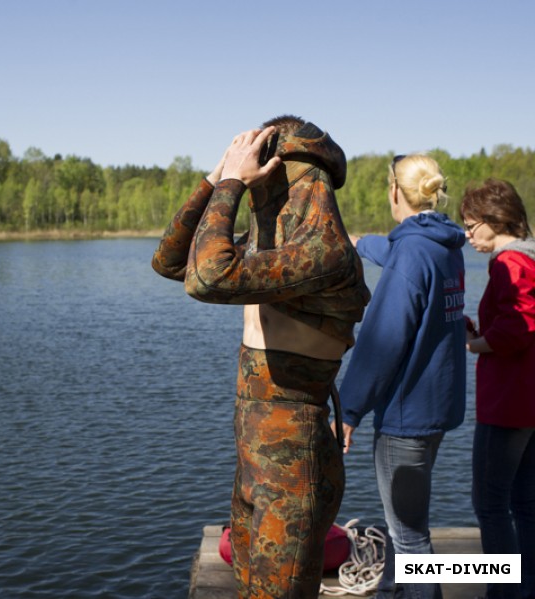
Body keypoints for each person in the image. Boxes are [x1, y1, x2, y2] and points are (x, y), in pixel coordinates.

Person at [152, 115, 370, 598]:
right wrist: (216, 178)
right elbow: (169, 260)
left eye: (265, 173)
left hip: (294, 463)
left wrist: (232, 182)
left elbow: (206, 278)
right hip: (254, 459)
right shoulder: (273, 251)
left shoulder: (323, 254)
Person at [335, 154, 467, 599]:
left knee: (410, 538)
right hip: (435, 411)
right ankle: (394, 592)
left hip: (405, 420)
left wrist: (348, 410)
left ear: (395, 191)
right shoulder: (442, 246)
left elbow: (381, 342)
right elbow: (400, 255)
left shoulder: (413, 253)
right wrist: (359, 243)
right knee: (404, 528)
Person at [461, 178, 535, 599]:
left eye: (472, 227)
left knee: (490, 506)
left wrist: (474, 344)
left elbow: (516, 329)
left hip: (507, 405)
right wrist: (481, 327)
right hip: (528, 403)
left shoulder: (511, 262)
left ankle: (505, 594)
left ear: (493, 220)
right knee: (525, 504)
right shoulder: (530, 257)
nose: (468, 236)